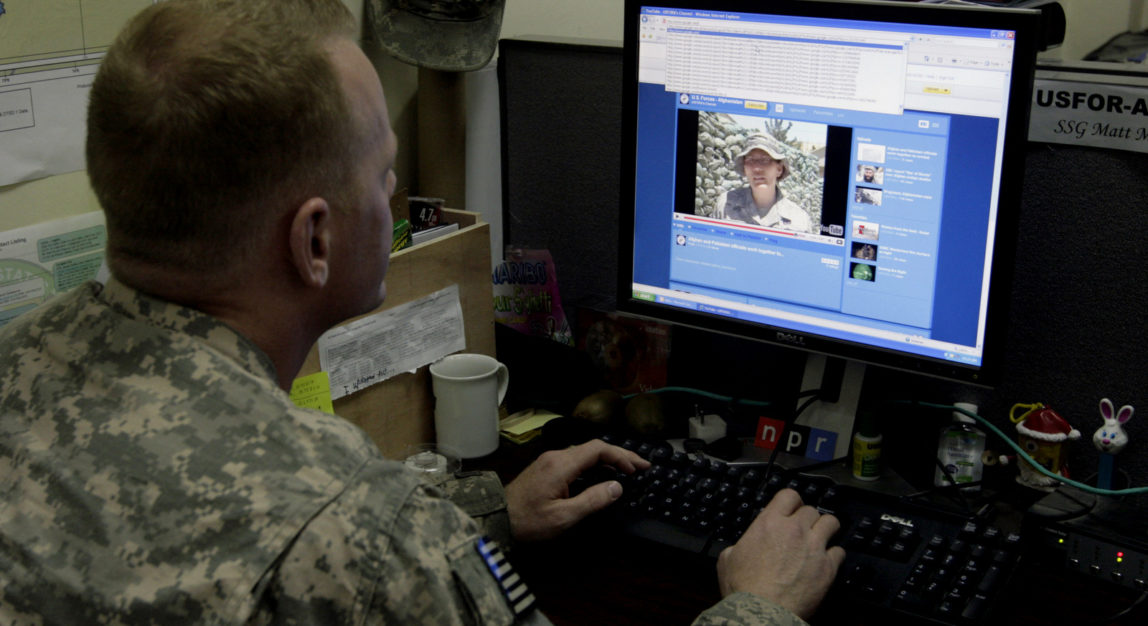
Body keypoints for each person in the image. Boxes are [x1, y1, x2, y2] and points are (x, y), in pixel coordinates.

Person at [0, 1, 844, 624]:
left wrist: (487, 517)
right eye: (381, 174)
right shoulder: (366, 536)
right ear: (314, 240)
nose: (397, 197)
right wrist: (760, 606)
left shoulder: (16, 361)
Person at [714, 133, 812, 232]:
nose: (757, 168)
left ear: (779, 169)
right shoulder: (725, 204)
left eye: (765, 160)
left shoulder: (799, 220)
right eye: (750, 160)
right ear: (744, 168)